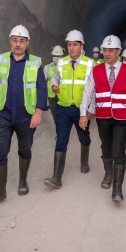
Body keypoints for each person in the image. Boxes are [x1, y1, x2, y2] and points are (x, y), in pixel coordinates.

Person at [0, 25, 48, 208]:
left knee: (25, 149)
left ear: (27, 43)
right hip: (3, 113)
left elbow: (42, 88)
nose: (18, 44)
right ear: (10, 41)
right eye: (15, 40)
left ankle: (23, 180)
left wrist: (38, 111)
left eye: (22, 41)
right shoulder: (1, 60)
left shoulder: (35, 62)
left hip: (26, 115)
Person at [80, 35, 126, 201]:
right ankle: (108, 173)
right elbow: (87, 92)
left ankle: (117, 187)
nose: (106, 54)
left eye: (110, 50)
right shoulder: (96, 70)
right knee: (106, 148)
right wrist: (83, 114)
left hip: (122, 117)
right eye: (105, 50)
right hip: (103, 116)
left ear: (118, 52)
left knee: (118, 150)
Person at [44, 30, 95, 189]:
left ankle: (84, 160)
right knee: (61, 139)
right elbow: (55, 77)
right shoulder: (62, 62)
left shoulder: (90, 64)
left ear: (81, 46)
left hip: (81, 110)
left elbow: (96, 88)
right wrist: (54, 84)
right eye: (69, 45)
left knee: (84, 137)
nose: (72, 48)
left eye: (75, 45)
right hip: (63, 108)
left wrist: (90, 110)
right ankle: (56, 177)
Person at [44, 45, 65, 121]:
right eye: (54, 56)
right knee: (55, 116)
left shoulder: (67, 67)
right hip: (51, 96)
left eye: (58, 56)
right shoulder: (47, 67)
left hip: (62, 95)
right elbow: (43, 83)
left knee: (63, 115)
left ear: (62, 56)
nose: (56, 58)